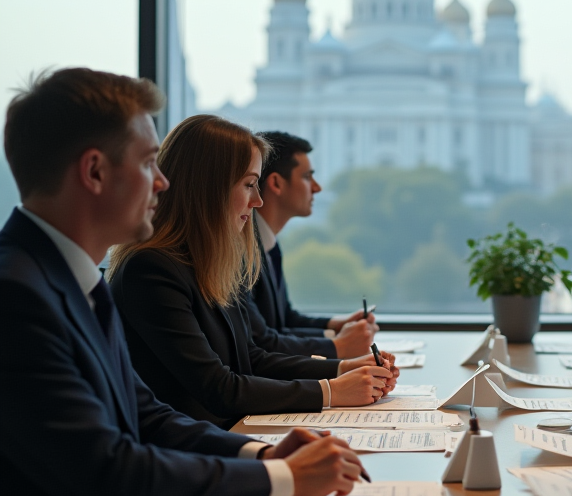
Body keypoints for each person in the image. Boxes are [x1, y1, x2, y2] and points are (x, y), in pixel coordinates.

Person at [0, 67, 367, 495]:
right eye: (147, 162)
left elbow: (147, 416)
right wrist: (285, 478)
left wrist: (263, 455)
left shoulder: (75, 280)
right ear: (95, 172)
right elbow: (105, 468)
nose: (163, 182)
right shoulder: (17, 296)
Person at [110, 115, 397, 430]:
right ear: (209, 187)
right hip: (200, 448)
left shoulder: (212, 261)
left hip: (232, 432)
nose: (258, 200)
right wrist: (331, 390)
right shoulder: (151, 270)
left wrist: (344, 368)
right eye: (249, 185)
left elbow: (252, 357)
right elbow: (218, 388)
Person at [246, 131, 376, 360]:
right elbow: (261, 340)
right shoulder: (241, 251)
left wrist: (336, 326)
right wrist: (338, 346)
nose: (317, 188)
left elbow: (284, 320)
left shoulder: (268, 243)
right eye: (307, 177)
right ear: (276, 183)